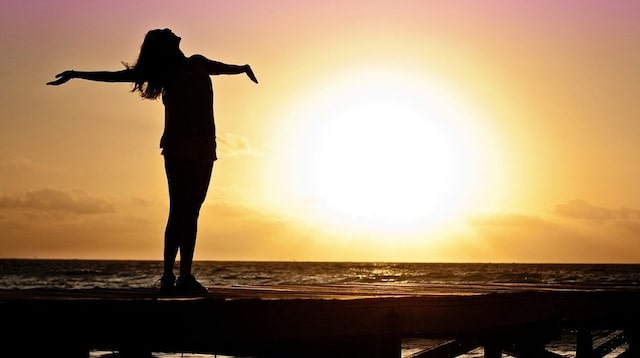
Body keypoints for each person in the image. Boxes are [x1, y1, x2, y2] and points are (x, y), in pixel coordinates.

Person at [47, 28, 258, 294]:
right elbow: (115, 77)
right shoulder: (164, 72)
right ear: (164, 46)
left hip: (206, 147)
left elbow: (224, 68)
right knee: (179, 210)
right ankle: (169, 275)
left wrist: (243, 68)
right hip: (178, 146)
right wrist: (76, 74)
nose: (172, 31)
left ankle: (185, 276)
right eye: (166, 33)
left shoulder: (198, 62)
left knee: (192, 212)